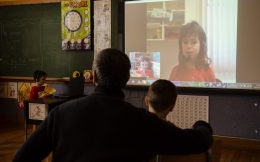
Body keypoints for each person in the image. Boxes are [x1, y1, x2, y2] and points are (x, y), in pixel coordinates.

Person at [13, 48, 213, 162]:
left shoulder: (60, 114)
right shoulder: (144, 122)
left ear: (94, 78)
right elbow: (197, 142)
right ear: (126, 79)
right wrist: (202, 126)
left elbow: (22, 159)